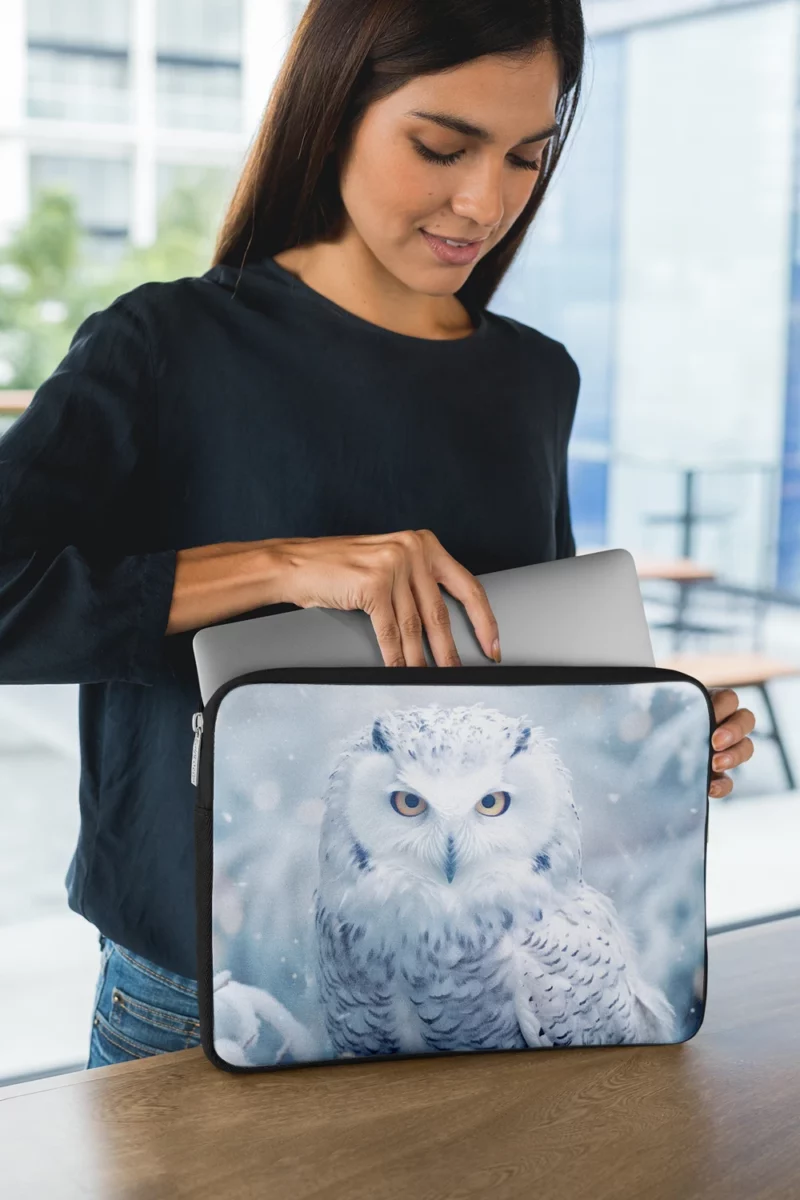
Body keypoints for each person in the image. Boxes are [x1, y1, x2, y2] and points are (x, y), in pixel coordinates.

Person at [0, 0, 754, 1070]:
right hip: (198, 998)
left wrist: (661, 728)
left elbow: (518, 670)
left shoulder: (535, 378)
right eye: (440, 146)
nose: (481, 201)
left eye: (525, 158)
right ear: (332, 108)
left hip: (488, 999)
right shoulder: (163, 345)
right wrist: (288, 567)